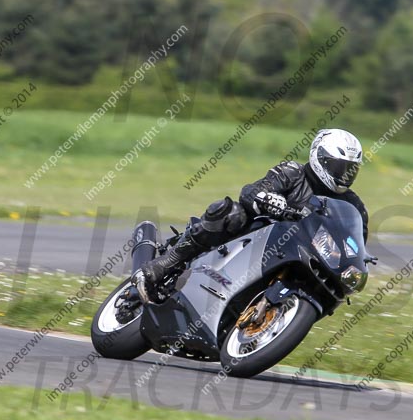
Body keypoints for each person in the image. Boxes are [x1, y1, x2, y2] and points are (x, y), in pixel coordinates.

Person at [132, 128, 369, 304]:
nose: (344, 175)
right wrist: (268, 199)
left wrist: (361, 257)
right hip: (261, 236)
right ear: (320, 158)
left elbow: (356, 239)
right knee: (230, 212)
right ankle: (166, 263)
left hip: (305, 254)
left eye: (351, 169)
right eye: (339, 167)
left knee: (335, 287)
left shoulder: (353, 205)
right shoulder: (293, 173)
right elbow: (250, 191)